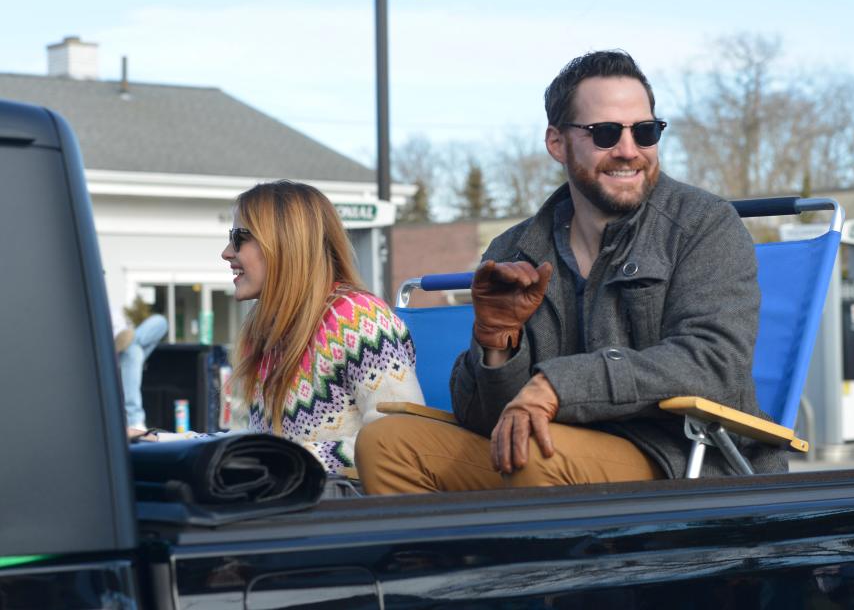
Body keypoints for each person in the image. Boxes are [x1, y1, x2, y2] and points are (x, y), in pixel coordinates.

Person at [356, 49, 786, 494]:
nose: (628, 150)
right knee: (385, 443)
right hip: (551, 451)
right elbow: (486, 420)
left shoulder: (704, 225)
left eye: (644, 131)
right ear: (556, 143)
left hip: (677, 458)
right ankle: (462, 565)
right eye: (604, 133)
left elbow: (713, 364)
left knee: (534, 456)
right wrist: (497, 345)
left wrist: (556, 386)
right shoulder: (514, 249)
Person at [216, 180, 424, 474]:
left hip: (346, 512)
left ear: (285, 242)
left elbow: (400, 440)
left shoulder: (358, 318)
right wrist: (160, 440)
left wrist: (283, 461)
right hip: (289, 503)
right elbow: (259, 444)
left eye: (239, 237)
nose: (226, 252)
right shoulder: (268, 331)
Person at [114, 307, 168, 432]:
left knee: (160, 321)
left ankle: (130, 342)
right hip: (110, 357)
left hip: (127, 350)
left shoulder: (111, 309)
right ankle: (133, 419)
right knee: (133, 351)